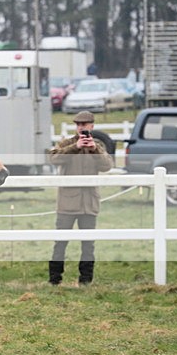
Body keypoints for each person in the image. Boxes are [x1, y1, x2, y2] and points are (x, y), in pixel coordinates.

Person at [48, 111, 114, 285]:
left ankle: (86, 280)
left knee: (88, 244)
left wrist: (94, 150)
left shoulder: (98, 145)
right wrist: (75, 147)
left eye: (84, 125)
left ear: (92, 126)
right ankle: (55, 279)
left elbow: (107, 165)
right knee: (60, 242)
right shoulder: (67, 143)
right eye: (78, 125)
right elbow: (54, 158)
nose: (81, 128)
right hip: (67, 203)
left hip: (89, 203)